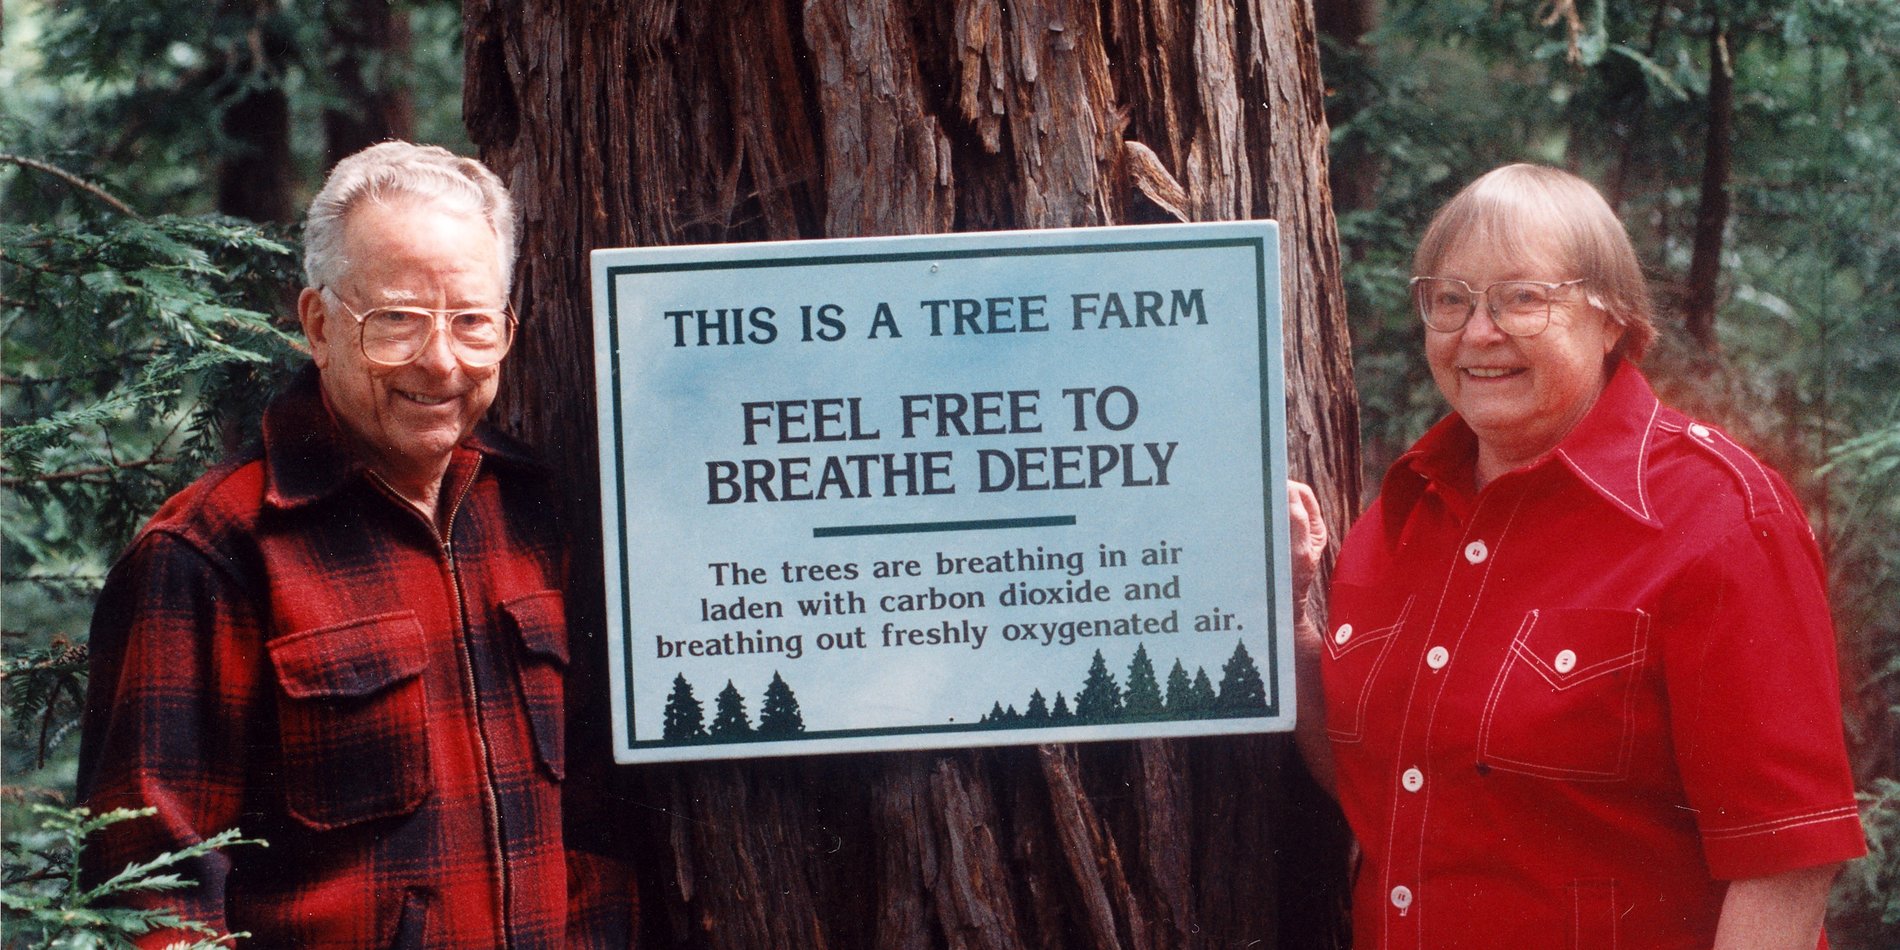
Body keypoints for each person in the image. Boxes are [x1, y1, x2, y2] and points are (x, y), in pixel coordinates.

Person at [1288, 164, 1865, 949]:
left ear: (1611, 317)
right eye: (1451, 300)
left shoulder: (1719, 520)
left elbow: (1787, 867)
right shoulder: (1396, 522)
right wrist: (1287, 623)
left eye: (1523, 298)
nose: (1478, 332)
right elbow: (1376, 780)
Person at [77, 142, 635, 947]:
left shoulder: (535, 513)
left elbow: (593, 822)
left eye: (473, 322)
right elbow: (152, 902)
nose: (441, 361)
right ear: (319, 325)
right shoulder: (210, 554)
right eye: (397, 321)